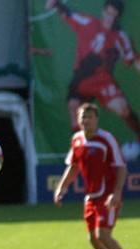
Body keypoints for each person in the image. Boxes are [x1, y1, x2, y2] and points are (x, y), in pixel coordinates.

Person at [53, 103, 137, 249]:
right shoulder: (77, 140)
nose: (86, 121)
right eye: (83, 117)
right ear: (78, 119)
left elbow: (121, 167)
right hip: (90, 198)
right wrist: (61, 187)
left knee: (103, 235)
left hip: (107, 197)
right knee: (93, 239)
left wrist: (116, 193)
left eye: (89, 117)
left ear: (96, 119)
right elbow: (73, 166)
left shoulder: (106, 139)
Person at [45, 0, 140, 160]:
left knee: (123, 109)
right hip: (82, 79)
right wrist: (57, 4)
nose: (110, 17)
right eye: (108, 13)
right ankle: (81, 150)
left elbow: (133, 59)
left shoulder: (120, 36)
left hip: (103, 81)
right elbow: (69, 13)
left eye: (114, 15)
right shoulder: (89, 22)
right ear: (104, 12)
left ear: (118, 17)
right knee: (74, 107)